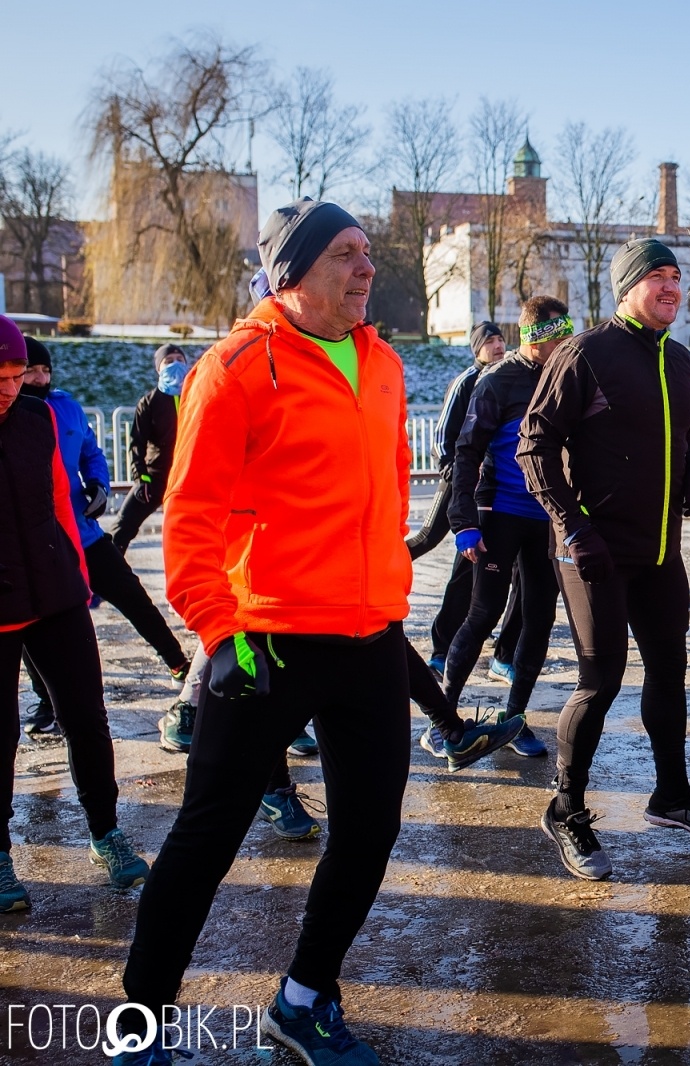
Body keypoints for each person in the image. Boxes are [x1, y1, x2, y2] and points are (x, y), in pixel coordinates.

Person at [119, 199, 415, 1066]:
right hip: (269, 641)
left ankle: (302, 998)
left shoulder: (386, 364)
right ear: (293, 271)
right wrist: (218, 630)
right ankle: (139, 1019)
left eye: (367, 253)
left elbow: (392, 488)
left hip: (370, 637)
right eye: (346, 255)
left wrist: (389, 591)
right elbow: (192, 517)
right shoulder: (238, 365)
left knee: (369, 832)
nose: (366, 270)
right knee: (208, 835)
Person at [518, 237, 690, 883]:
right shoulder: (586, 353)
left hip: (659, 548)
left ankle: (671, 794)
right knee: (600, 682)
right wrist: (572, 526)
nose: (671, 287)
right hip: (595, 551)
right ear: (627, 288)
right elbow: (534, 445)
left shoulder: (680, 363)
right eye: (656, 278)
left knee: (670, 670)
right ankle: (567, 809)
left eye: (676, 276)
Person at [0, 314, 152, 913]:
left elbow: (62, 502)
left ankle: (105, 830)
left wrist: (81, 576)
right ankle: (1, 855)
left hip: (56, 593)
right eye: (0, 376)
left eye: (16, 375)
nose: (10, 387)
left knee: (86, 715)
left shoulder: (38, 418)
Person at [18, 338, 191, 739]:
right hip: (40, 542)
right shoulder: (13, 417)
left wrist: (97, 483)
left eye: (44, 372)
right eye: (31, 372)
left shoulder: (66, 407)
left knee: (130, 593)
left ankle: (176, 661)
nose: (39, 379)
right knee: (36, 624)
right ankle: (46, 702)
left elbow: (91, 453)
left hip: (84, 531)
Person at [443, 298, 576, 759]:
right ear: (535, 338)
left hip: (548, 520)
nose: (565, 347)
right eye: (558, 340)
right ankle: (445, 718)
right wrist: (463, 523)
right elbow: (465, 451)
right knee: (483, 614)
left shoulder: (565, 378)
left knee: (539, 619)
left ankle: (513, 717)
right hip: (498, 513)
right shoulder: (498, 380)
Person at [413, 322, 512, 678]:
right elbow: (445, 433)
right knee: (428, 538)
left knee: (473, 563)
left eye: (501, 339)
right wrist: (451, 470)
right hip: (458, 480)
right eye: (490, 341)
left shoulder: (509, 376)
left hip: (491, 487)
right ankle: (388, 561)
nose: (498, 346)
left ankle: (497, 651)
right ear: (476, 349)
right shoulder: (467, 380)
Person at [109, 344, 187, 553]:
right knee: (122, 528)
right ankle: (105, 578)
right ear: (158, 368)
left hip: (189, 476)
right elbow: (137, 443)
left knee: (190, 536)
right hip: (156, 476)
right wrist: (141, 477)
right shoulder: (149, 402)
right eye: (169, 361)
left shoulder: (197, 394)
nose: (176, 365)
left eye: (180, 359)